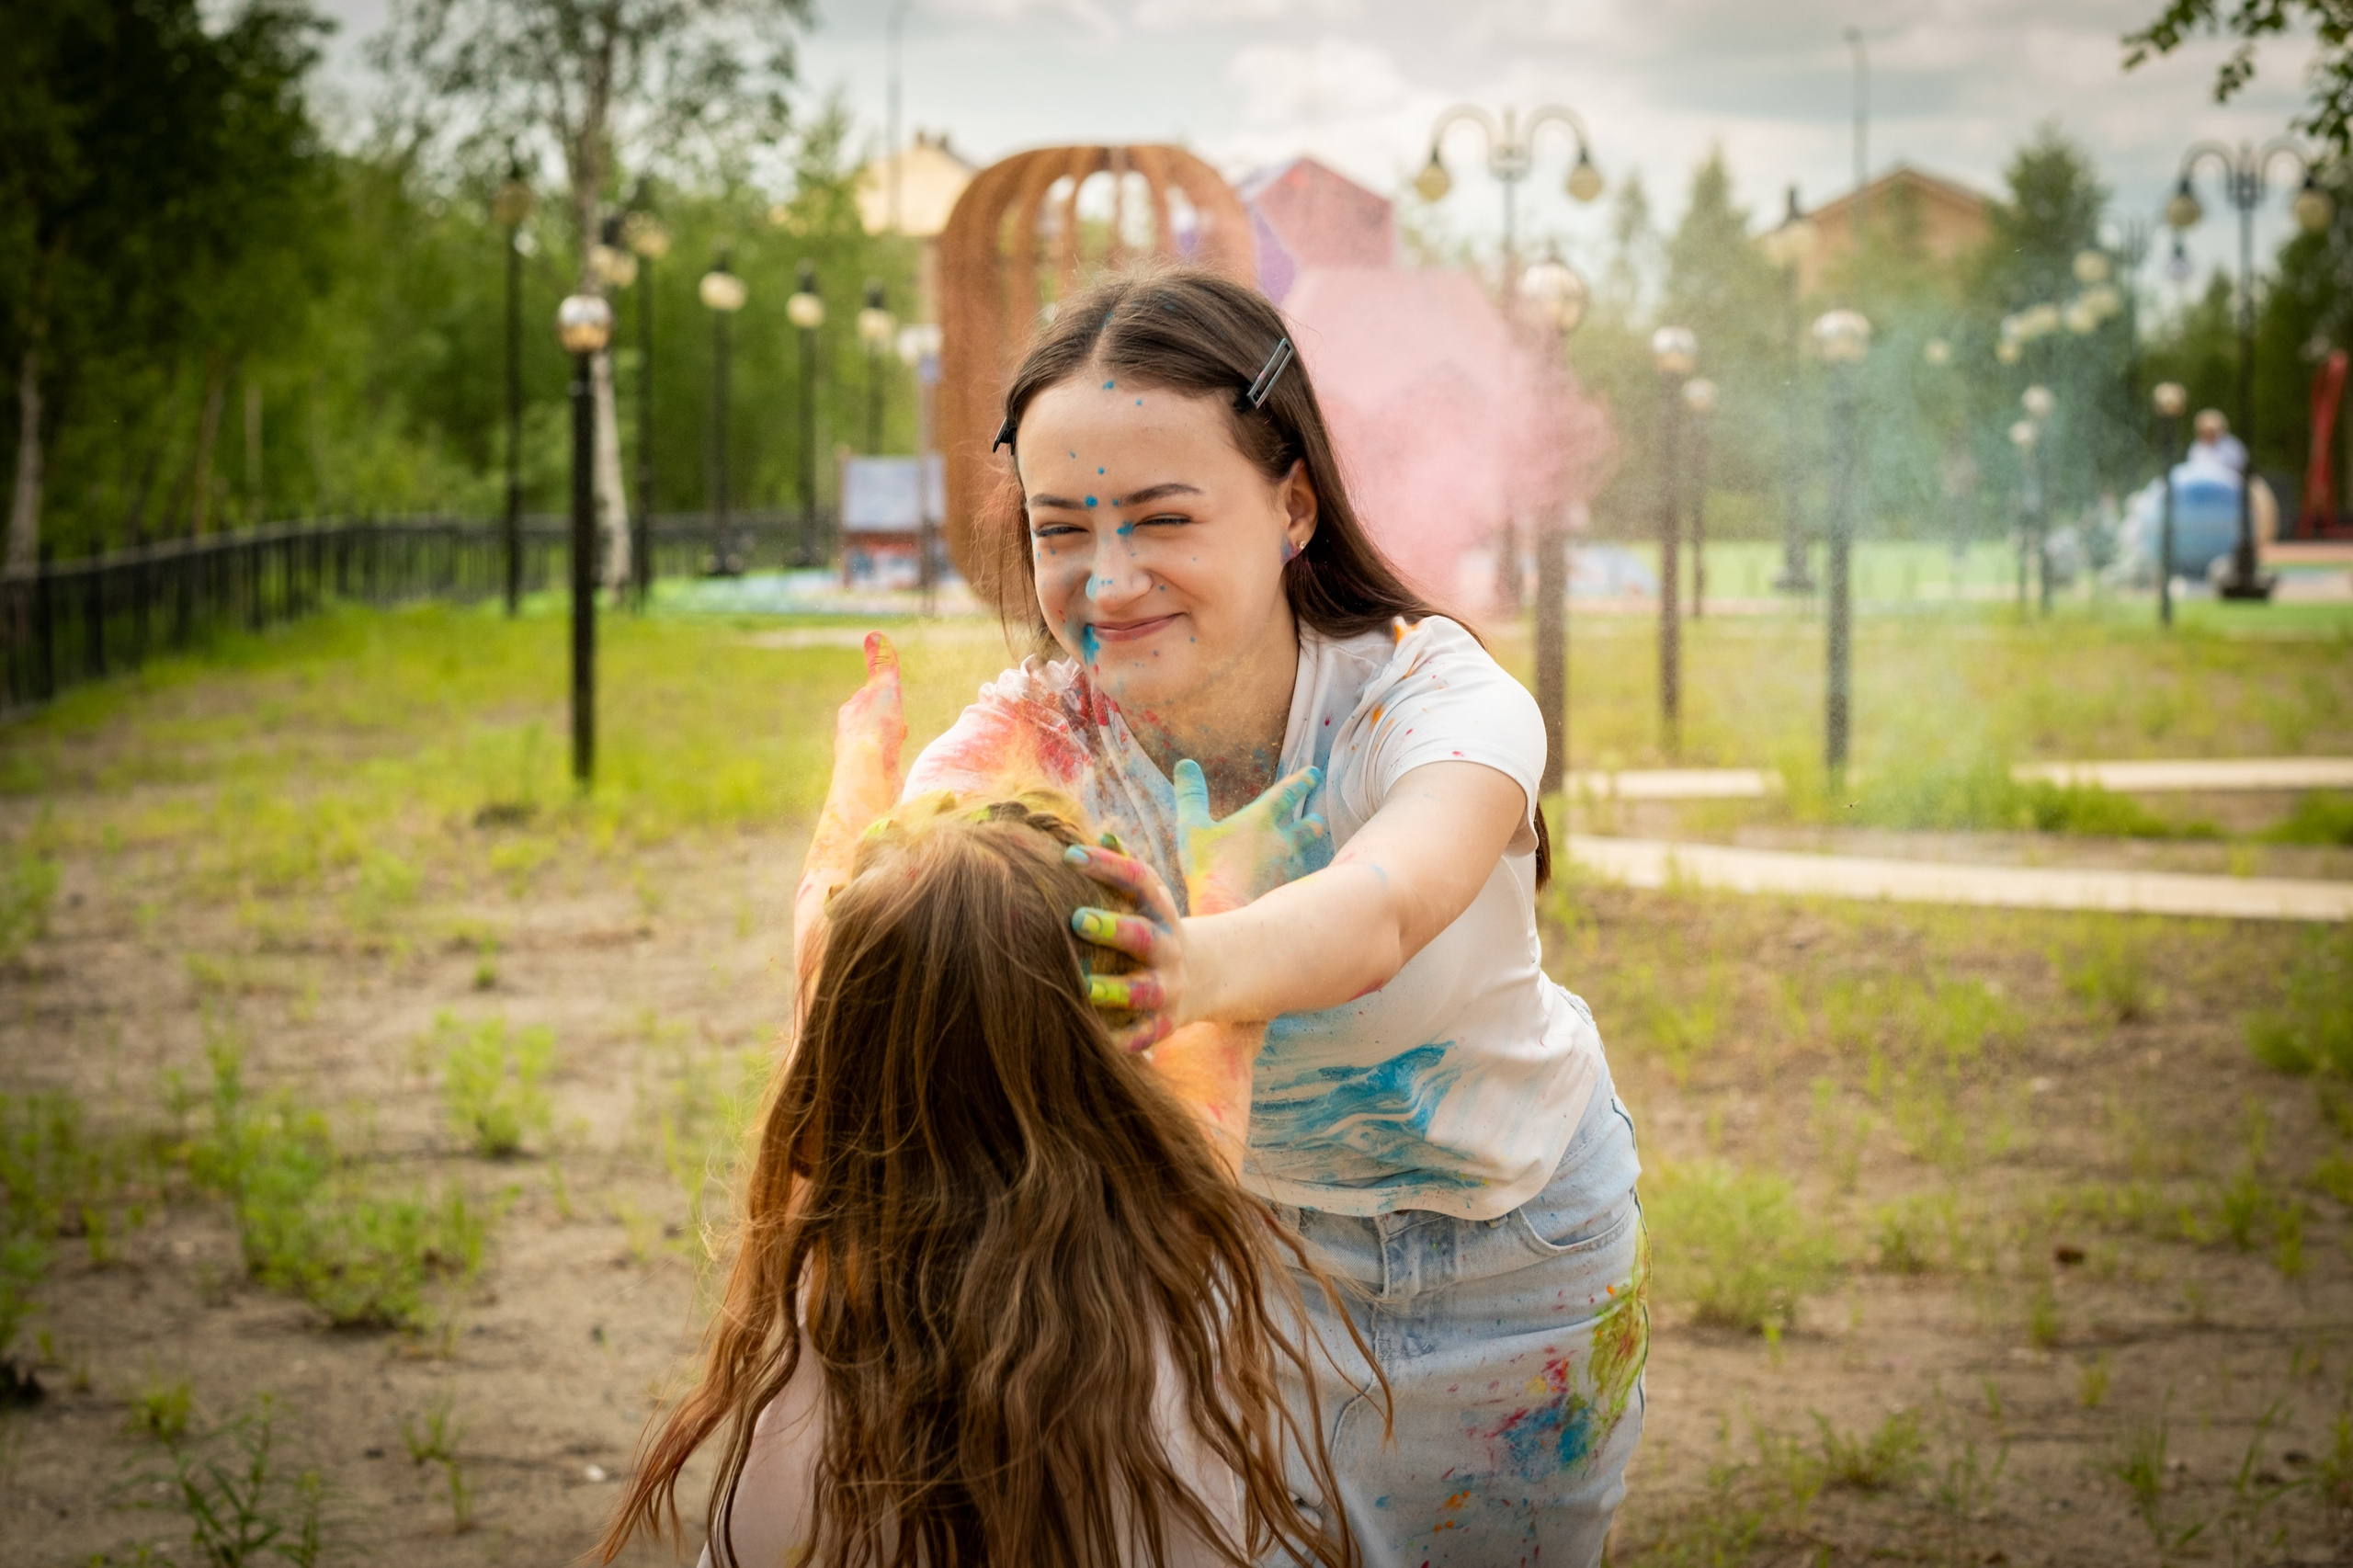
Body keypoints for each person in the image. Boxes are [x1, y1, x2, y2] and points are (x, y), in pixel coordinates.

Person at [823, 266, 1647, 1566]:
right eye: (1061, 531)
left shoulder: (1430, 697)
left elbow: (1386, 902)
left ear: (1291, 505)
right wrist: (848, 843)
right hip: (1238, 1260)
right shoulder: (1040, 731)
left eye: (1161, 518)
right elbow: (896, 923)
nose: (1108, 579)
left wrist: (1195, 964)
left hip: (1524, 1254)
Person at [598, 789, 1374, 1568]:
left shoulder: (826, 1262)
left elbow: (819, 988)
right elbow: (1220, 1043)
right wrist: (1226, 887)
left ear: (842, 1061)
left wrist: (855, 773)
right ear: (1108, 1054)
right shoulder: (1161, 1255)